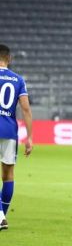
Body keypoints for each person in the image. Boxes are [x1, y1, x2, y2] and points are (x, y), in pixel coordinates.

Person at [0, 44, 33, 231]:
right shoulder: (18, 79)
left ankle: (0, 217)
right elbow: (26, 109)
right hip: (10, 131)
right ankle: (2, 216)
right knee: (8, 175)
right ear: (9, 59)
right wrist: (30, 137)